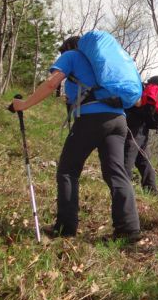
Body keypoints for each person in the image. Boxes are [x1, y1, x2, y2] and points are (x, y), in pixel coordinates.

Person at [10, 35, 141, 242]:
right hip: (118, 120)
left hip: (91, 119)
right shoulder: (105, 66)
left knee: (68, 171)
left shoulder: (71, 56)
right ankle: (129, 230)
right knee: (116, 173)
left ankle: (66, 228)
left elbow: (52, 84)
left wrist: (24, 104)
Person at [123, 105, 158, 195]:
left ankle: (123, 191)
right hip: (141, 123)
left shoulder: (139, 90)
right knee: (143, 159)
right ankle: (151, 192)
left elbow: (137, 100)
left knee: (126, 158)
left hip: (134, 123)